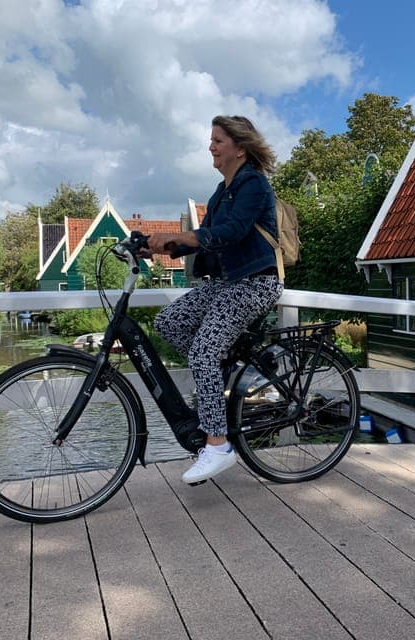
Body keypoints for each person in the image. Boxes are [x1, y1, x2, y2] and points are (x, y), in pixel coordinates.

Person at [146, 115, 284, 484]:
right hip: (224, 283)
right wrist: (156, 246)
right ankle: (219, 377)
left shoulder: (253, 183)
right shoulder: (220, 191)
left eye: (218, 140)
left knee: (203, 353)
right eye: (211, 140)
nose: (211, 146)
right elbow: (207, 236)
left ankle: (218, 444)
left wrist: (180, 235)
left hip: (255, 282)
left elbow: (232, 231)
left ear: (240, 148)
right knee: (168, 323)